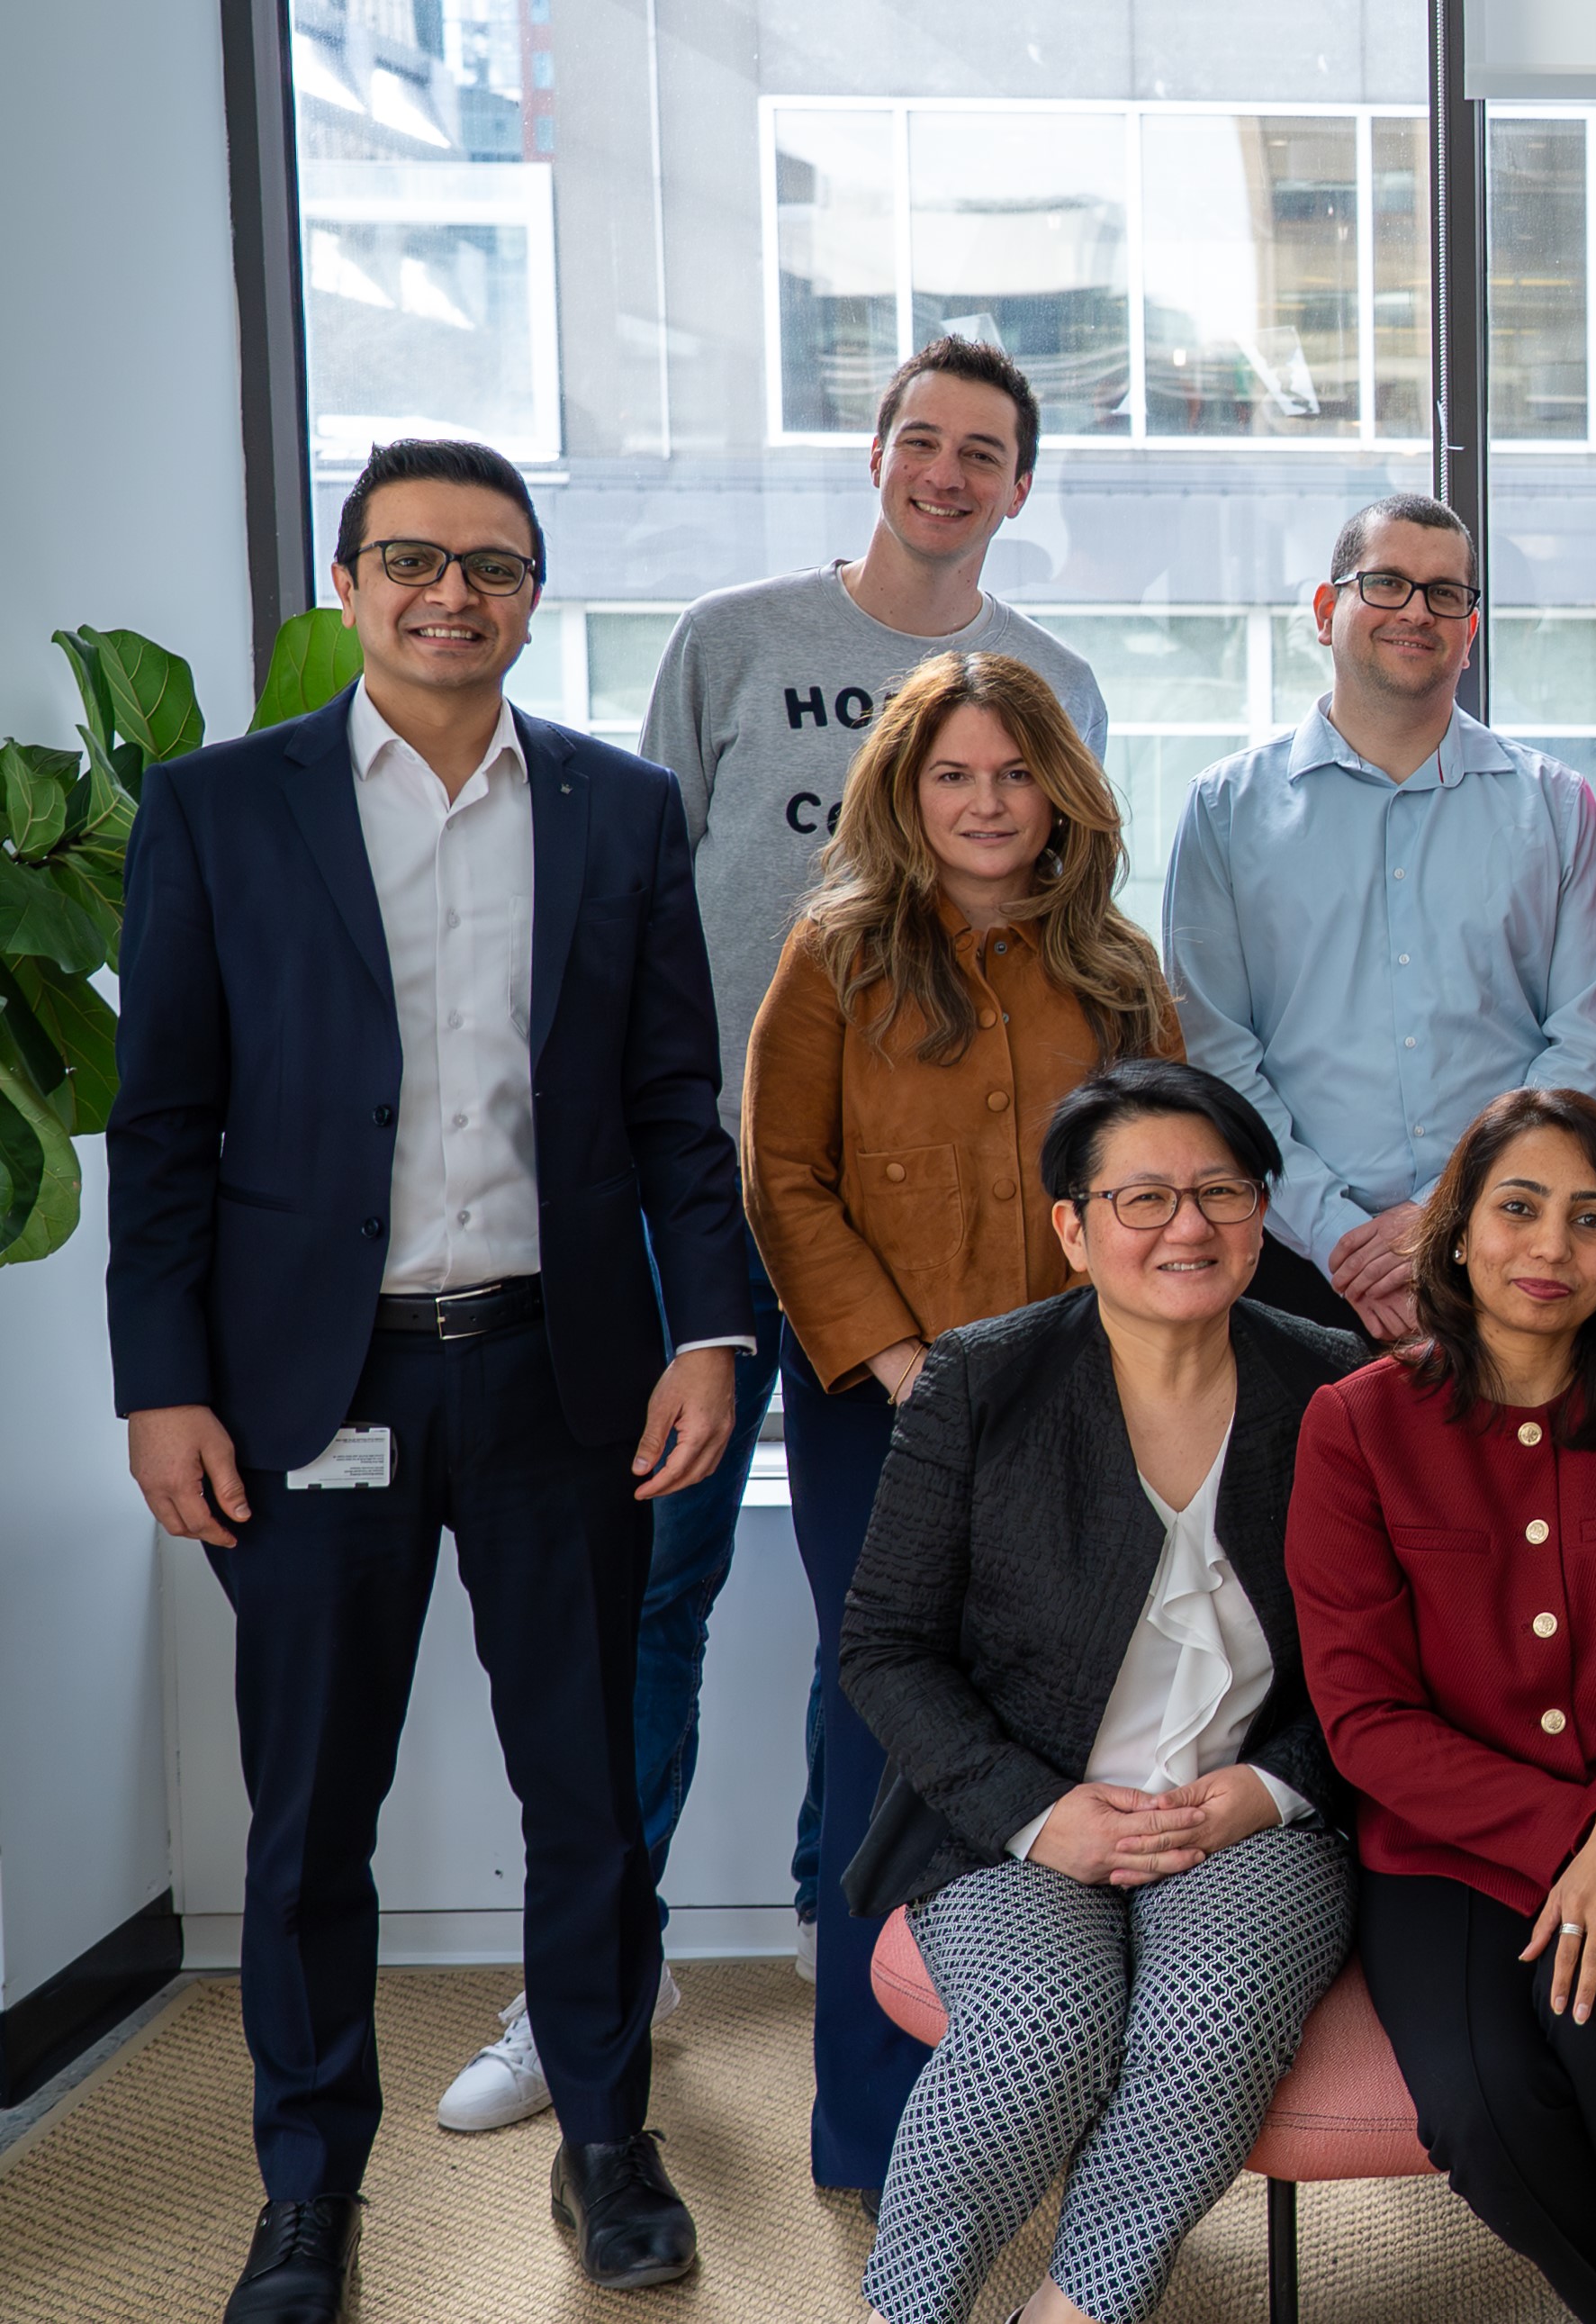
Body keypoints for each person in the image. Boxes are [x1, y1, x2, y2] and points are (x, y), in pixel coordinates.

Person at [433, 338, 1112, 2138]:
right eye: (921, 438)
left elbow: (1064, 939)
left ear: (1021, 485)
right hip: (698, 1194)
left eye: (984, 451)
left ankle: (848, 1934)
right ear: (874, 453)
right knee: (650, 1583)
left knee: (877, 1609)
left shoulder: (1055, 683)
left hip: (922, 1237)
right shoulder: (732, 638)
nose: (947, 472)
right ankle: (593, 1973)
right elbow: (627, 898)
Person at [108, 437, 751, 2317]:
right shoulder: (222, 811)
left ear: (535, 594)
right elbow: (163, 1127)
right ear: (348, 582)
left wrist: (710, 1335)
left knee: (590, 1794)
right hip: (315, 1390)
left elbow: (674, 1110)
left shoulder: (622, 809)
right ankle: (309, 2190)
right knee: (311, 1814)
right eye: (410, 559)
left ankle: (606, 2141)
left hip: (564, 1373)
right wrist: (163, 1383)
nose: (449, 594)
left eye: (491, 564)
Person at [744, 650, 1180, 2200]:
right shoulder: (836, 954)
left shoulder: (1118, 968)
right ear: (905, 792)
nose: (986, 804)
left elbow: (1163, 1186)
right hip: (882, 1409)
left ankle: (1052, 2098)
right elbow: (783, 1176)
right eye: (954, 776)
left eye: (1013, 773)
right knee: (887, 1726)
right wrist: (903, 1365)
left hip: (1082, 1404)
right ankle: (874, 2126)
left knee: (1068, 1717)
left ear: (1059, 791)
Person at [838, 1060, 1368, 2324]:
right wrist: (1040, 1813)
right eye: (1143, 1199)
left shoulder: (1336, 1386)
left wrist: (1272, 1788)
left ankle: (1079, 2310)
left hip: (1250, 1816)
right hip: (1015, 1812)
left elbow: (1386, 1659)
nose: (1189, 1225)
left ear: (1260, 1213)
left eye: (1222, 1191)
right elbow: (884, 1644)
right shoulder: (979, 1383)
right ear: (1074, 1229)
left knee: (1210, 2021)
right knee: (1041, 2025)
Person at [1286, 1089, 1596, 2324]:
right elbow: (1366, 1720)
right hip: (1442, 1848)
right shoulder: (1355, 1424)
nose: (1551, 1247)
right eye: (1518, 1208)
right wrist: (1587, 1831)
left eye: (1590, 1219)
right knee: (1483, 2109)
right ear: (1456, 1233)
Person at [1168, 493, 1596, 1343]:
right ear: (1325, 611)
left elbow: (1587, 1049)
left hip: (1507, 1253)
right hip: (1291, 1261)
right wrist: (1335, 1233)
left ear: (1469, 632)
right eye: (1385, 583)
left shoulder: (1556, 807)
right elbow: (1213, 1052)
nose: (1417, 610)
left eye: (1444, 593)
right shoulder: (1225, 809)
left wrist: (1443, 1211)